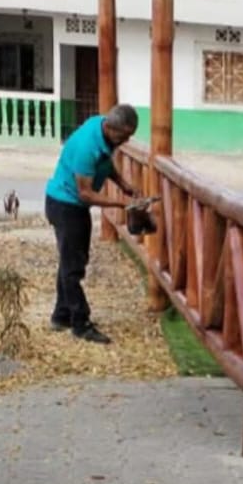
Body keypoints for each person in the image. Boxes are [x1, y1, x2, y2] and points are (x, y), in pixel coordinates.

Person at [44, 103, 142, 344]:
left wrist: (124, 185)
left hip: (71, 205)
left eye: (130, 135)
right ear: (110, 128)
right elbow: (85, 193)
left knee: (71, 260)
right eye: (124, 135)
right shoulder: (87, 147)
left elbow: (105, 164)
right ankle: (81, 323)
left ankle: (61, 315)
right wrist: (121, 203)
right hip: (66, 205)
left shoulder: (101, 130)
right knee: (73, 268)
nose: (126, 140)